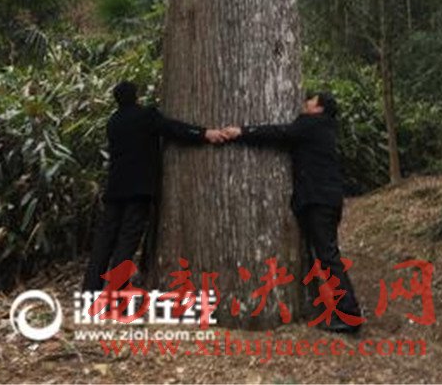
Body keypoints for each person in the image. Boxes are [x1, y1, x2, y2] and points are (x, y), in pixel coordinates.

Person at [223, 91, 362, 332]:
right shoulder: (325, 128)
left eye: (311, 101)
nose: (305, 103)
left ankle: (350, 315)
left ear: (319, 108)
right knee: (323, 255)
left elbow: (280, 133)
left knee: (328, 256)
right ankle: (339, 309)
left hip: (319, 200)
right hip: (325, 199)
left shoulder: (311, 124)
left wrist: (242, 132)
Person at [82, 80, 224, 292]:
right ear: (136, 96)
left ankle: (89, 291)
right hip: (138, 189)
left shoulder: (113, 122)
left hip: (115, 190)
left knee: (104, 242)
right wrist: (204, 133)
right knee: (126, 242)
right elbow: (173, 128)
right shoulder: (145, 116)